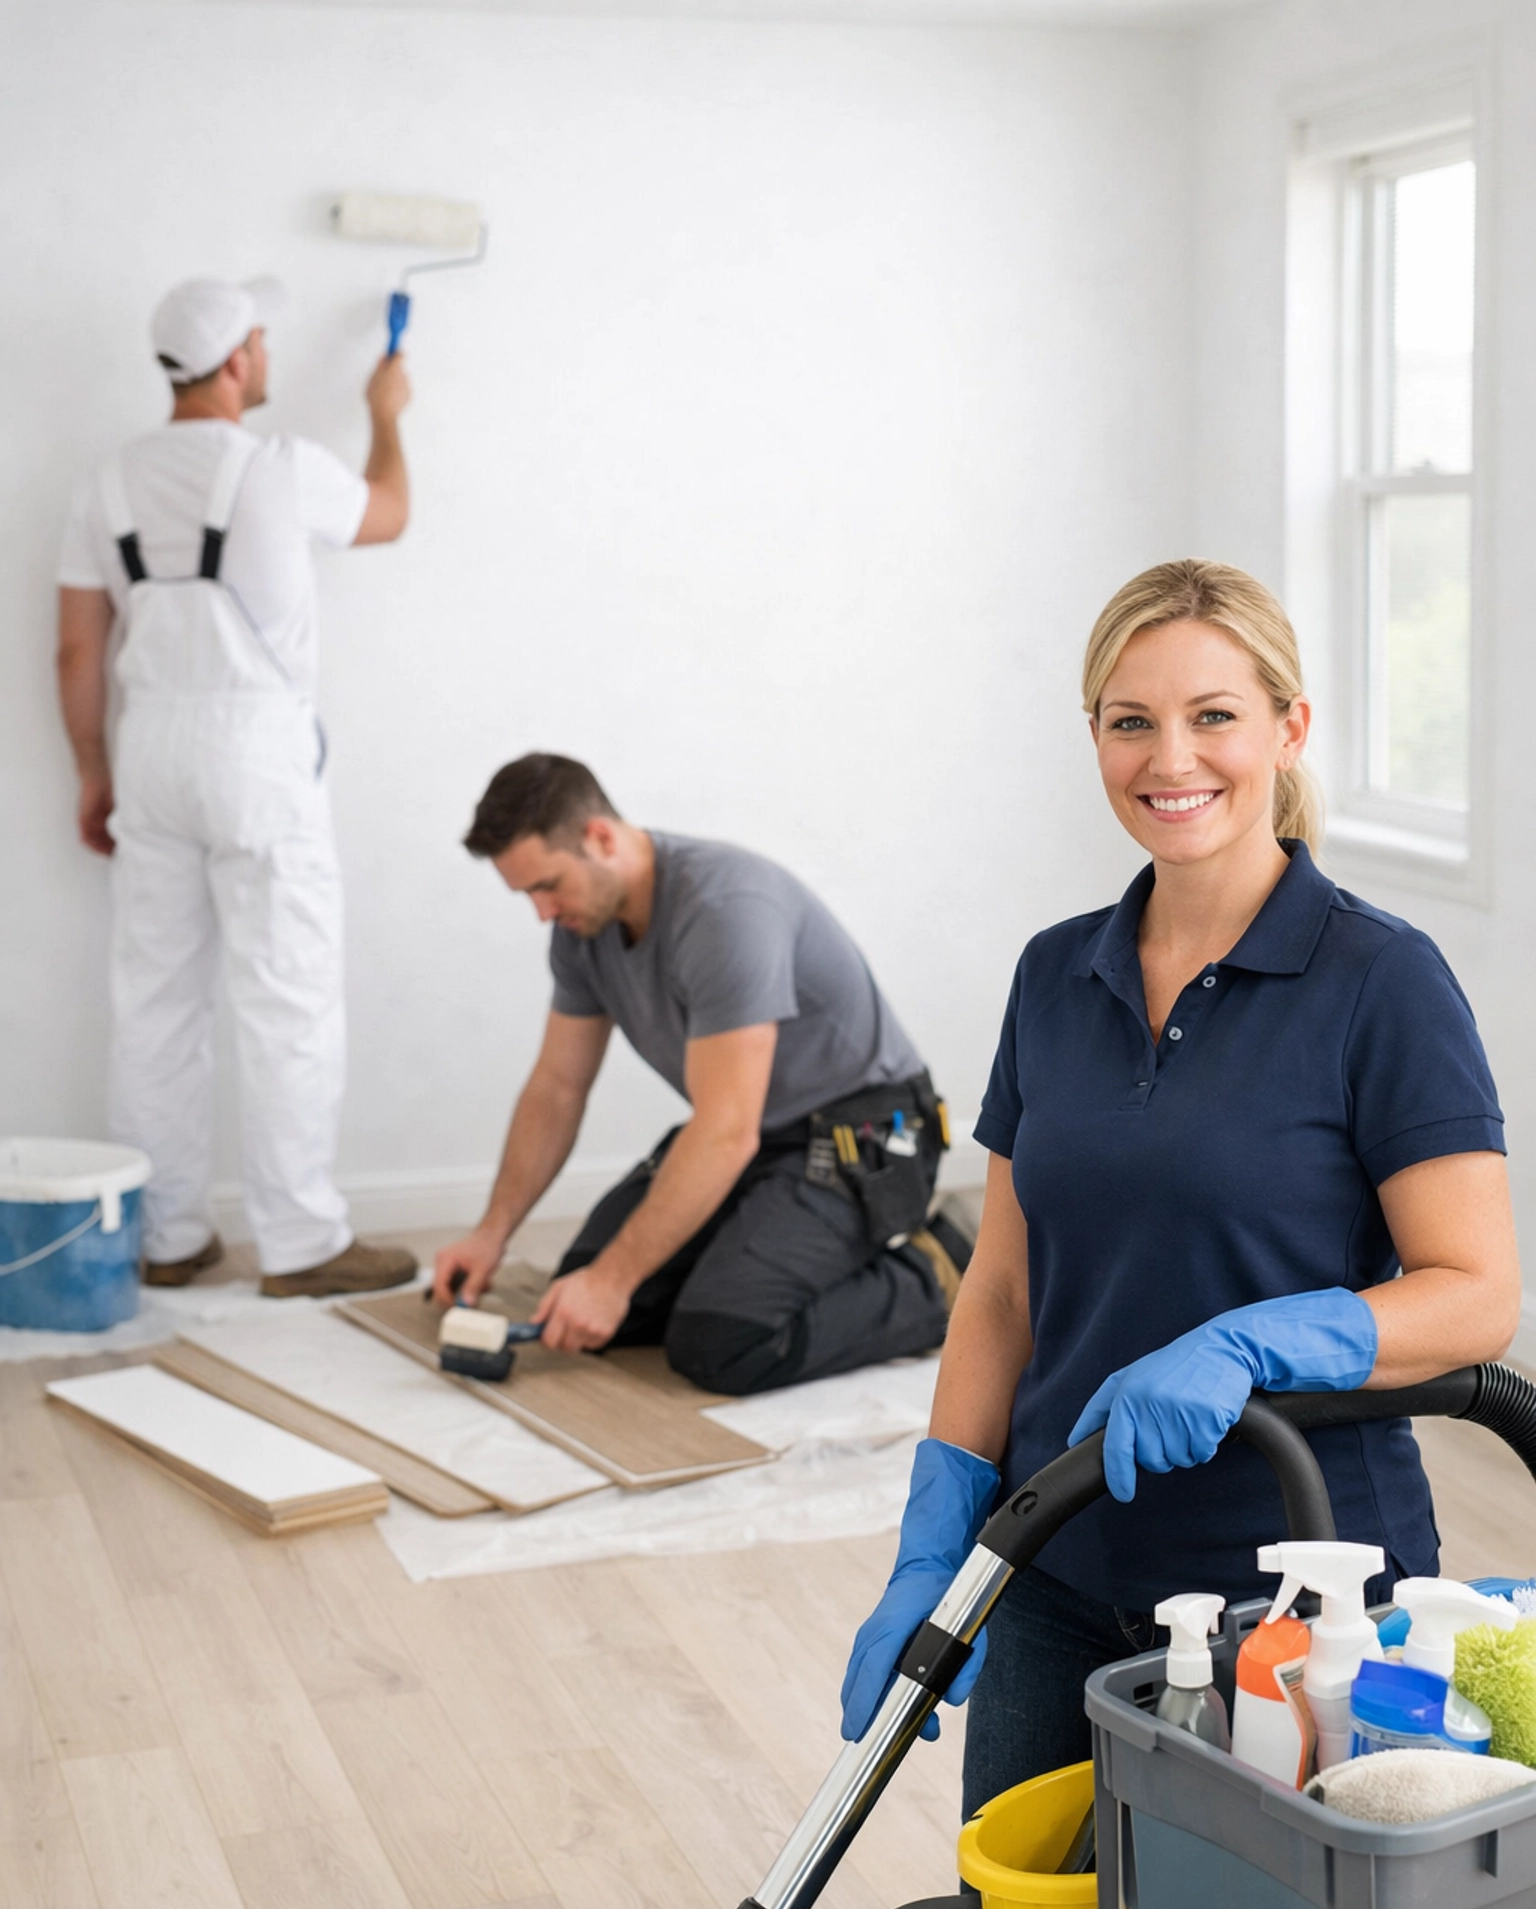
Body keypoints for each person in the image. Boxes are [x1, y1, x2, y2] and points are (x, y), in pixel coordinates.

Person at [840, 559, 1519, 1818]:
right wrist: (939, 1534)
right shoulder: (1055, 975)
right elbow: (1000, 1286)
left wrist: (1253, 1343)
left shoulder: (1383, 981)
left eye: (1214, 715)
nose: (1172, 758)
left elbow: (1478, 1300)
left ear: (1288, 728)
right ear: (1094, 735)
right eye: (1131, 720)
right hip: (1052, 1556)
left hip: (1296, 1598)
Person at [56, 275, 419, 1296]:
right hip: (254, 752)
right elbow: (388, 514)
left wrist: (95, 773)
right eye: (259, 340)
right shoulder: (279, 465)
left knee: (155, 1003)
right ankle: (303, 1243)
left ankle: (166, 1237)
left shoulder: (106, 482)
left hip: (152, 751)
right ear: (237, 362)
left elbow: (76, 655)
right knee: (289, 995)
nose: (265, 355)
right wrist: (384, 416)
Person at [431, 753, 970, 1393]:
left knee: (723, 1341)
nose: (542, 913)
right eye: (527, 895)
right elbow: (556, 1089)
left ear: (600, 838)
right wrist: (492, 1233)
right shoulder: (581, 931)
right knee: (586, 1294)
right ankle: (745, 1262)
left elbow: (724, 1131)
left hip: (870, 1134)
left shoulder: (724, 910)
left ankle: (945, 1265)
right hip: (756, 1132)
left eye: (547, 886)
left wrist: (613, 1282)